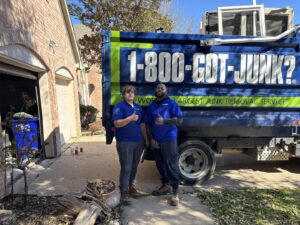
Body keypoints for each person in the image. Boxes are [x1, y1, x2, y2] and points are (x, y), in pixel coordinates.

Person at [146, 83, 182, 206]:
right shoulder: (152, 105)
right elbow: (148, 124)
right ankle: (165, 185)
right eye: (157, 88)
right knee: (160, 164)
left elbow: (179, 119)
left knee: (171, 164)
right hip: (156, 140)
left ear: (166, 91)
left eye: (162, 88)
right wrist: (151, 139)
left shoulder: (172, 103)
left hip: (169, 139)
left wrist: (165, 121)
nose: (159, 89)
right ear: (155, 91)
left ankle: (175, 193)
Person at [112, 85, 148, 206]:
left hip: (138, 142)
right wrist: (130, 118)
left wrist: (146, 140)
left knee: (134, 167)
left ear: (135, 95)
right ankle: (124, 192)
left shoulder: (138, 107)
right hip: (125, 142)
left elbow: (142, 125)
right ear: (123, 94)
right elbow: (117, 124)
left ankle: (132, 188)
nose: (130, 94)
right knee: (126, 167)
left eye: (132, 92)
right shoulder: (119, 107)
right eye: (127, 92)